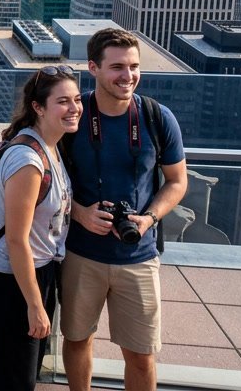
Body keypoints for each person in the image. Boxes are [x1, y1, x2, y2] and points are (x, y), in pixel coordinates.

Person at [61, 28, 188, 391]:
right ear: (92, 68)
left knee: (142, 355)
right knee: (77, 340)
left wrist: (149, 218)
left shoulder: (156, 117)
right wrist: (81, 213)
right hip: (81, 253)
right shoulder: (73, 117)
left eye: (134, 66)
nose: (128, 75)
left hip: (139, 255)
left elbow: (177, 183)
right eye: (117, 66)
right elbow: (44, 181)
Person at [0, 66, 81, 391]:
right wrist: (35, 306)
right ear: (38, 107)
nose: (74, 108)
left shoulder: (50, 146)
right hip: (14, 281)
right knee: (15, 379)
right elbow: (17, 240)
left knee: (0, 371)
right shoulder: (28, 160)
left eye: (77, 99)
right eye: (63, 101)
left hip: (31, 273)